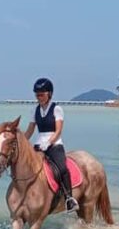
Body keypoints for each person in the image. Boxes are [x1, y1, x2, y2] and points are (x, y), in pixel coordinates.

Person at [24, 77, 79, 213]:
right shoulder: (34, 110)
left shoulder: (57, 109)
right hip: (39, 144)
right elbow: (30, 129)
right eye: (37, 95)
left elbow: (58, 130)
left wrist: (48, 143)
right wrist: (23, 142)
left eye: (42, 94)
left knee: (62, 169)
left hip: (54, 144)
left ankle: (69, 199)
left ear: (49, 94)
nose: (39, 97)